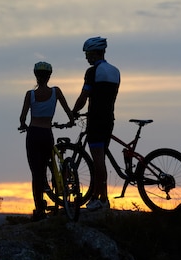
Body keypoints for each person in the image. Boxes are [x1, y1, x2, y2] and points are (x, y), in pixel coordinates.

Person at [19, 61, 75, 221]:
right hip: (46, 133)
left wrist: (23, 124)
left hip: (33, 133)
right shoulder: (56, 92)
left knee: (36, 172)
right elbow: (68, 111)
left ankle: (39, 209)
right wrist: (71, 121)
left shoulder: (30, 95)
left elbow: (22, 117)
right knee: (47, 163)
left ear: (36, 76)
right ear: (49, 76)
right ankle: (56, 188)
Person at [72, 36, 120, 211]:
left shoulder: (92, 72)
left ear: (94, 53)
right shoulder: (116, 71)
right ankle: (101, 197)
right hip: (109, 119)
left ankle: (100, 199)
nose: (86, 57)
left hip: (96, 120)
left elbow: (84, 97)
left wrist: (73, 112)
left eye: (87, 53)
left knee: (98, 161)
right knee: (101, 158)